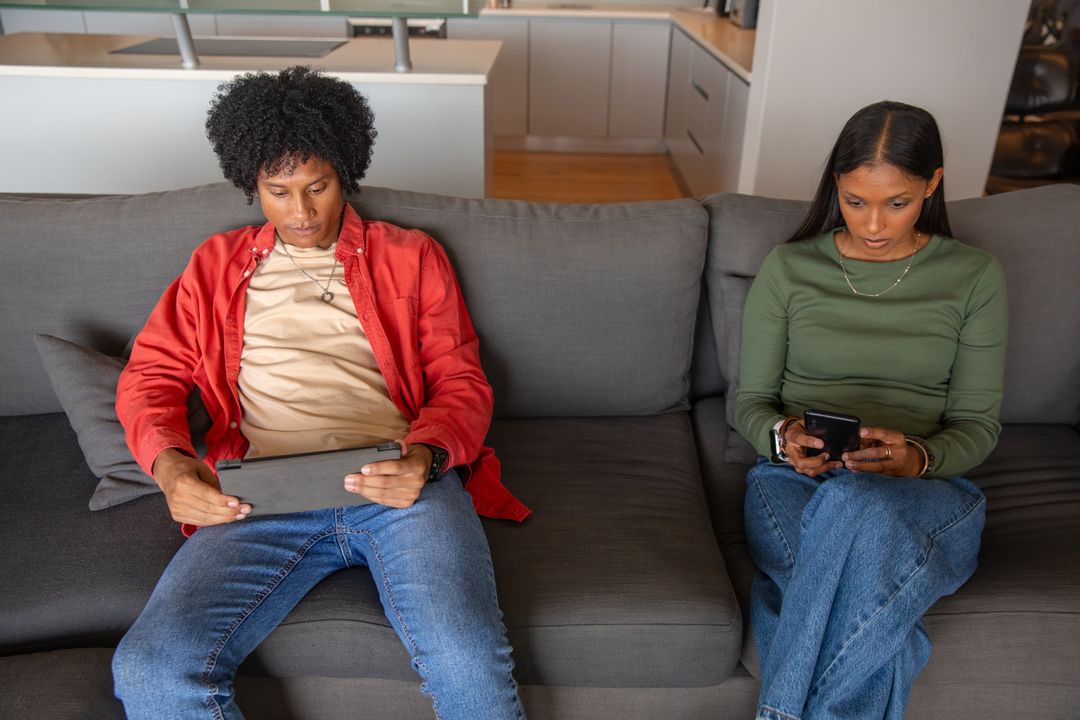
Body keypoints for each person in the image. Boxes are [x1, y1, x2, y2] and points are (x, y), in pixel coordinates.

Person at [111, 66, 530, 719]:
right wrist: (169, 466)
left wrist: (425, 458)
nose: (301, 213)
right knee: (150, 669)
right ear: (251, 184)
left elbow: (461, 381)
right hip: (261, 495)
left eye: (318, 187)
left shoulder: (410, 255)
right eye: (278, 192)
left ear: (345, 174)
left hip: (396, 484)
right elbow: (151, 375)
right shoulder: (214, 265)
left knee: (466, 657)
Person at [734, 100, 1007, 720]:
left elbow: (977, 426)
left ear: (932, 184)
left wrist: (916, 458)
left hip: (924, 491)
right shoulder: (789, 268)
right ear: (836, 185)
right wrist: (784, 437)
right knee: (878, 614)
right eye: (856, 201)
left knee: (852, 514)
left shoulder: (974, 277)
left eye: (897, 202)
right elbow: (751, 403)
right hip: (792, 483)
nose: (874, 224)